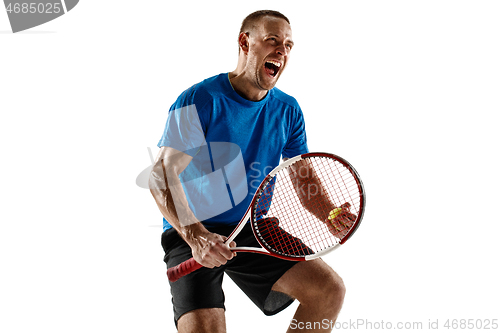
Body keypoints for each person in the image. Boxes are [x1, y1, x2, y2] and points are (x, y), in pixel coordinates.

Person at [149, 10, 346, 333]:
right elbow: (161, 175)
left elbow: (303, 175)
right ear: (245, 42)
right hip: (192, 228)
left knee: (328, 290)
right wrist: (197, 238)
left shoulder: (288, 109)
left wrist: (330, 213)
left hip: (250, 227)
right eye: (272, 41)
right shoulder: (201, 99)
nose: (282, 51)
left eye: (288, 45)